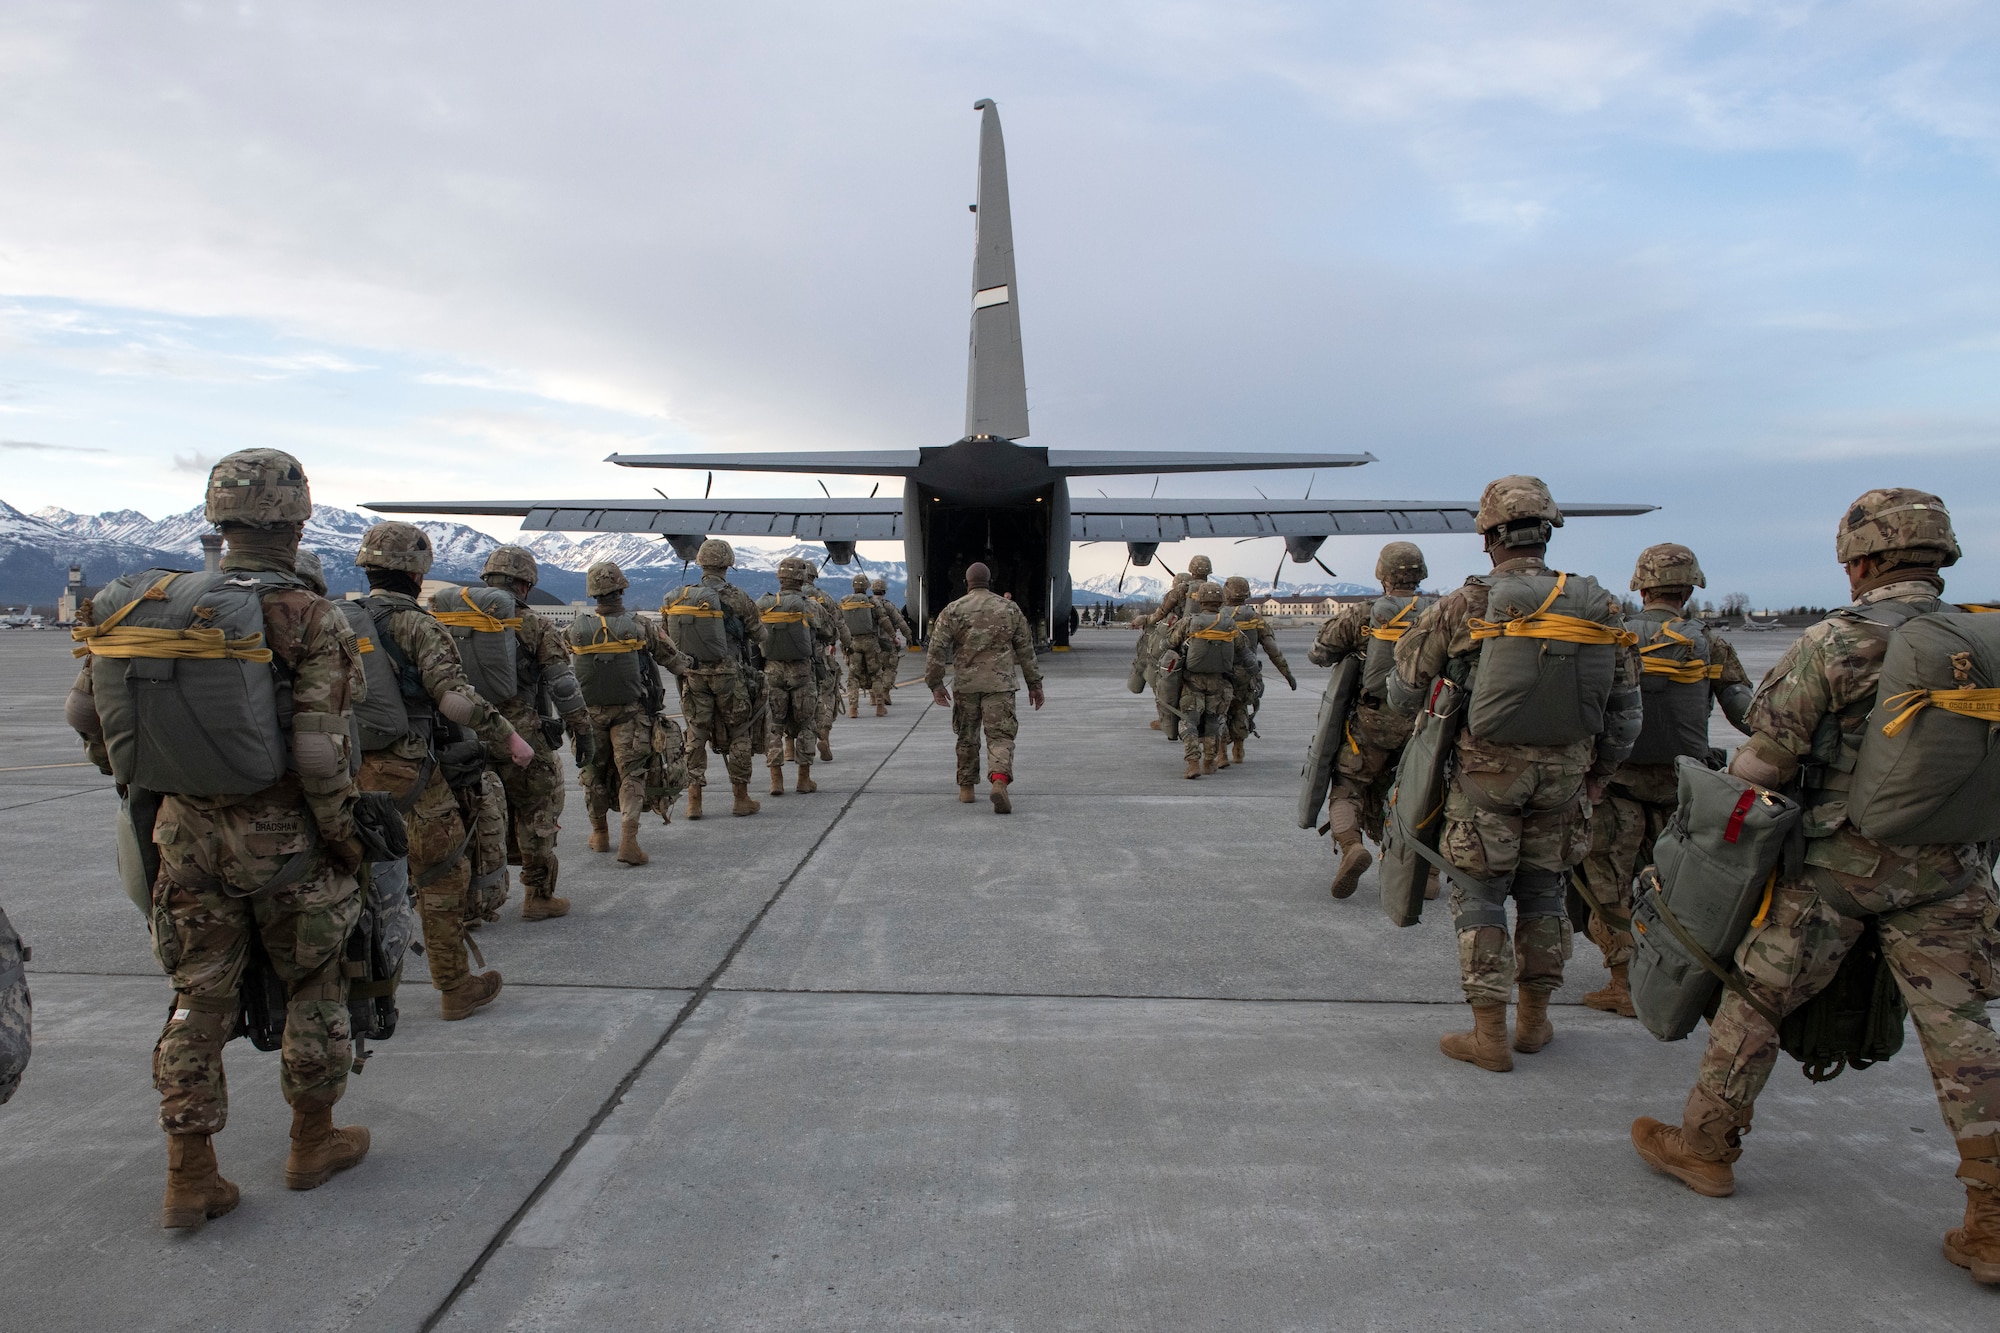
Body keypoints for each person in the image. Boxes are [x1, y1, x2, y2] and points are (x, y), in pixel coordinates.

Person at [1630, 490, 2000, 1287]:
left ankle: (1704, 1146)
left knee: (1756, 1001)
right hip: (1951, 871)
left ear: (1860, 561)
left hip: (1837, 874)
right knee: (1964, 1038)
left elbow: (1766, 761)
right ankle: (1993, 1218)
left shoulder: (1836, 640)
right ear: (1942, 559)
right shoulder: (1985, 638)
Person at [67, 449, 372, 1227]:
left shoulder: (144, 605)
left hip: (185, 833)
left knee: (197, 996)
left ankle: (190, 1172)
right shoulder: (309, 616)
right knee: (314, 983)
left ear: (218, 518)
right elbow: (318, 749)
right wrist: (344, 837)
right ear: (300, 520)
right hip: (286, 838)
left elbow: (87, 716)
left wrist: (146, 786)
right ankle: (311, 1140)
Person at [1388, 476, 1640, 1072]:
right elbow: (1625, 710)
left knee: (1479, 895)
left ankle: (1489, 1035)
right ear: (1547, 531)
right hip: (1566, 783)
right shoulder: (1602, 604)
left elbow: (1402, 692)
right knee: (1543, 892)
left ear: (1488, 536)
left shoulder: (1466, 603)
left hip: (1485, 780)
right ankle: (1534, 1022)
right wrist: (1599, 773)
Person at [352, 521, 531, 1021]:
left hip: (343, 770)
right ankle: (454, 987)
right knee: (441, 876)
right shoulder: (417, 624)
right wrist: (510, 738)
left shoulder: (338, 619)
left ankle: (358, 990)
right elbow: (454, 699)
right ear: (418, 571)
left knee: (352, 880)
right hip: (408, 774)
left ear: (367, 568)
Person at [1573, 543, 1753, 1016]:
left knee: (1607, 886)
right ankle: (1671, 982)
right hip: (1684, 790)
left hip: (1615, 786)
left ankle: (1622, 982)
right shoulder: (1710, 644)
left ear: (1641, 586)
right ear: (1690, 588)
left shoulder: (1615, 637)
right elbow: (1747, 713)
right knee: (1672, 890)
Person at [462, 545, 592, 919]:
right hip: (523, 738)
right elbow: (562, 684)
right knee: (537, 812)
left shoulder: (452, 618)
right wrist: (582, 731)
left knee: (471, 813)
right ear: (524, 584)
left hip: (466, 735)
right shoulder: (533, 623)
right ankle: (537, 896)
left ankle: (470, 904)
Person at [1309, 542, 1437, 900]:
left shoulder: (1365, 613)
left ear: (1382, 574)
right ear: (1420, 573)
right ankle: (1424, 871)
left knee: (1348, 786)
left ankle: (1351, 846)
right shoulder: (1442, 612)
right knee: (1423, 795)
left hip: (1372, 721)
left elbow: (1319, 652)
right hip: (1425, 725)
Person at [569, 560, 688, 865]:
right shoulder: (641, 625)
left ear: (593, 594)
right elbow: (673, 660)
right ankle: (629, 842)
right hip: (631, 714)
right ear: (621, 590)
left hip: (590, 713)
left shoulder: (576, 630)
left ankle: (599, 833)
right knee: (632, 773)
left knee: (592, 771)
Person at [925, 561, 1045, 813]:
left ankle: (967, 788)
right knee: (1000, 736)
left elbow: (936, 650)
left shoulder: (953, 610)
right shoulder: (1009, 609)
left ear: (966, 582)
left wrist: (935, 683)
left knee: (967, 736)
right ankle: (999, 781)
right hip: (1000, 685)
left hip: (966, 686)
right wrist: (1035, 685)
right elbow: (1026, 650)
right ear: (990, 581)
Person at [665, 539, 768, 818]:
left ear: (700, 563)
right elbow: (760, 635)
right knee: (739, 731)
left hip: (693, 675)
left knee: (695, 734)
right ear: (727, 564)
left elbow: (667, 636)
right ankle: (740, 798)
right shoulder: (737, 597)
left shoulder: (678, 596)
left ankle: (693, 802)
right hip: (728, 675)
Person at [758, 557, 829, 796]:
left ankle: (776, 780)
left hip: (772, 671)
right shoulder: (809, 605)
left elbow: (753, 636)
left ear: (780, 577)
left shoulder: (763, 603)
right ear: (802, 578)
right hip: (802, 672)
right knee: (806, 724)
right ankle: (803, 779)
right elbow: (828, 633)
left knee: (774, 725)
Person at [1165, 582, 1239, 778]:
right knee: (1214, 722)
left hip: (1192, 682)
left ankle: (1192, 763)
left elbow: (1169, 643)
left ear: (1200, 600)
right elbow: (1244, 652)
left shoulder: (1189, 622)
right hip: (1218, 682)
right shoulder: (1230, 624)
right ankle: (1209, 761)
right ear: (1220, 600)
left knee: (1189, 721)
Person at [1221, 575, 1296, 764]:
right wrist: (1287, 674)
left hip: (1221, 674)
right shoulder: (1255, 617)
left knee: (1217, 711)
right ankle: (1239, 749)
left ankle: (1220, 753)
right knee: (1240, 709)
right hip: (1247, 674)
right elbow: (1272, 649)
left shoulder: (1217, 616)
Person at [798, 562, 849, 759]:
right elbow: (838, 624)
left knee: (786, 702)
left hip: (784, 661)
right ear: (812, 576)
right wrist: (846, 643)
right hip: (818, 657)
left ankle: (787, 749)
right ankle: (824, 738)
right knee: (826, 695)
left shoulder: (775, 600)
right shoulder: (822, 598)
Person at [842, 572, 899, 717]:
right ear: (867, 587)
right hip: (870, 643)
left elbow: (839, 624)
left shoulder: (845, 601)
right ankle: (880, 706)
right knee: (876, 675)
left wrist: (834, 643)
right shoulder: (872, 602)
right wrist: (893, 636)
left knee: (853, 677)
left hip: (853, 643)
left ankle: (853, 709)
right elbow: (884, 620)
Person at [871, 577, 909, 706]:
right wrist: (909, 636)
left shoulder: (867, 605)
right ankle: (885, 691)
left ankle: (873, 695)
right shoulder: (888, 605)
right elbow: (900, 622)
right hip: (886, 642)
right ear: (884, 591)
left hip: (870, 643)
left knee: (873, 669)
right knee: (890, 667)